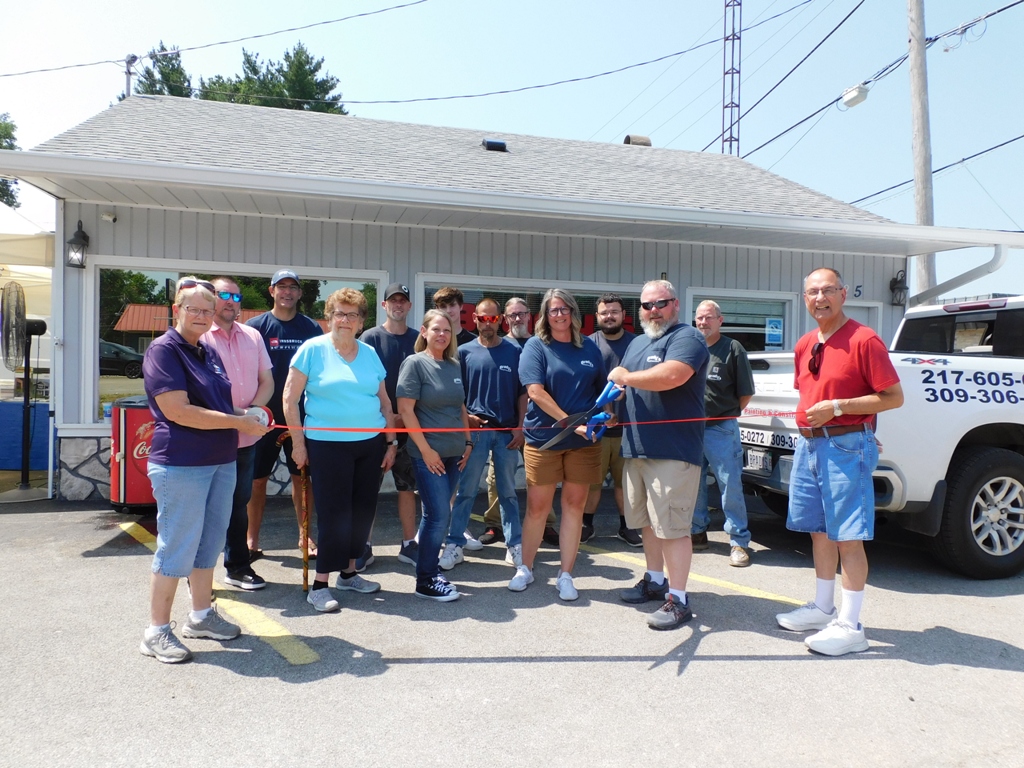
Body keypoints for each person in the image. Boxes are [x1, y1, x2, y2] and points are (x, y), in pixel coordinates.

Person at [139, 277, 270, 663]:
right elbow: (178, 411)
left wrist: (248, 415)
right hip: (181, 463)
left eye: (207, 310)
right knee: (176, 547)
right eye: (193, 309)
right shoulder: (164, 350)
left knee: (209, 543)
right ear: (176, 310)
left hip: (220, 460)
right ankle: (156, 632)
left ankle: (200, 616)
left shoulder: (206, 350)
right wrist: (239, 423)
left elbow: (220, 406)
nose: (201, 315)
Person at [775, 268, 903, 656]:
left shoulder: (865, 339)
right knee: (818, 531)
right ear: (804, 298)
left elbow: (893, 397)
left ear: (843, 294)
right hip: (809, 446)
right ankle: (823, 608)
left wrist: (840, 409)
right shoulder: (805, 345)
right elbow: (810, 392)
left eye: (828, 290)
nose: (820, 298)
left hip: (844, 447)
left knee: (848, 536)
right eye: (812, 292)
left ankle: (851, 626)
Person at [283, 288, 397, 613]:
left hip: (370, 444)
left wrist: (391, 442)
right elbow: (290, 399)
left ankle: (348, 573)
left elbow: (385, 402)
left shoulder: (370, 354)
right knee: (334, 514)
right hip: (327, 445)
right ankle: (320, 584)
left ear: (361, 322)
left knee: (362, 511)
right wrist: (298, 444)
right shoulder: (312, 350)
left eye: (352, 315)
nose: (345, 320)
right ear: (329, 317)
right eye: (339, 313)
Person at [610, 279, 709, 630]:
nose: (654, 310)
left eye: (661, 303)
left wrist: (626, 377)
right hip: (637, 447)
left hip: (673, 450)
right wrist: (612, 408)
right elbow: (626, 386)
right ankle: (655, 580)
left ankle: (679, 600)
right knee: (648, 523)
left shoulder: (687, 337)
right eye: (647, 305)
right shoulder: (638, 342)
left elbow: (672, 376)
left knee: (672, 528)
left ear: (676, 304)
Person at [511, 288, 606, 600]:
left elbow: (601, 392)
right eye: (553, 309)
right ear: (545, 315)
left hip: (584, 442)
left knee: (574, 507)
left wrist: (606, 417)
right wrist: (570, 422)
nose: (560, 314)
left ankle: (566, 574)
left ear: (573, 312)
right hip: (545, 439)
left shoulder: (589, 347)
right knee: (538, 507)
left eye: (565, 308)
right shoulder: (536, 346)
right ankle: (525, 568)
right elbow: (535, 392)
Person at [440, 298, 527, 571]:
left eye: (492, 318)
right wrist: (466, 419)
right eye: (482, 318)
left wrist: (520, 426)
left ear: (500, 320)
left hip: (506, 434)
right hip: (475, 434)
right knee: (465, 491)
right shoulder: (463, 352)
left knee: (508, 492)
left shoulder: (515, 351)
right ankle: (455, 544)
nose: (487, 323)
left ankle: (514, 545)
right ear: (474, 319)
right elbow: (456, 393)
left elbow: (523, 393)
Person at [201, 276, 274, 590]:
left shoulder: (253, 336)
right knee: (205, 507)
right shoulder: (199, 336)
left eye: (236, 296)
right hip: (210, 437)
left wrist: (254, 411)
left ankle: (238, 567)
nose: (231, 302)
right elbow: (201, 394)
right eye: (224, 295)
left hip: (246, 439)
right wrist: (240, 417)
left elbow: (267, 381)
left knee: (238, 505)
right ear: (211, 298)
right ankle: (198, 575)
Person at [396, 309, 474, 601]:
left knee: (436, 515)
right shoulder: (415, 363)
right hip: (429, 456)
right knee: (438, 515)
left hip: (455, 455)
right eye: (436, 329)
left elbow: (460, 408)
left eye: (447, 330)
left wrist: (468, 442)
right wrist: (426, 451)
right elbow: (406, 411)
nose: (442, 334)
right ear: (424, 332)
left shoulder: (453, 365)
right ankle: (426, 580)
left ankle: (430, 573)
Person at [245, 269, 323, 561]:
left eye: (293, 287)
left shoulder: (311, 328)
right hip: (263, 417)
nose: (287, 292)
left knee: (302, 479)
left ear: (300, 293)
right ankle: (251, 539)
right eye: (282, 287)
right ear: (272, 291)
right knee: (257, 481)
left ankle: (305, 535)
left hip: (300, 418)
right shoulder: (255, 327)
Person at [480, 297, 559, 547]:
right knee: (497, 477)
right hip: (507, 425)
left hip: (539, 422)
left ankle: (546, 524)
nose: (517, 319)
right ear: (505, 319)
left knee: (541, 477)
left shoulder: (543, 344)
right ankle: (494, 524)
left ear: (530, 316)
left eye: (521, 314)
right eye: (512, 315)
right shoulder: (500, 346)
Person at [359, 282, 423, 570]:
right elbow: (364, 382)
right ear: (384, 305)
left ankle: (409, 544)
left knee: (407, 488)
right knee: (367, 489)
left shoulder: (418, 339)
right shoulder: (370, 338)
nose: (398, 305)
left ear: (409, 306)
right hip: (376, 427)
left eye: (403, 301)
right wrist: (388, 418)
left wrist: (404, 417)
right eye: (393, 301)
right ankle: (364, 545)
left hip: (409, 426)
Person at [691, 300, 756, 566]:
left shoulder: (732, 348)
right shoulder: (690, 348)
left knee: (730, 485)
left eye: (708, 317)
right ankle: (697, 532)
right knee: (693, 485)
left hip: (721, 429)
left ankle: (739, 541)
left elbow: (745, 393)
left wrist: (725, 415)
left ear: (720, 320)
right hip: (692, 429)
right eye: (699, 318)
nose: (703, 322)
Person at [583, 293, 640, 546]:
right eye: (604, 312)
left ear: (623, 315)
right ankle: (586, 525)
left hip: (629, 431)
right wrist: (605, 412)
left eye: (614, 311)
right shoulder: (588, 344)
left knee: (625, 484)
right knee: (592, 483)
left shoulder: (637, 344)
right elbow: (589, 384)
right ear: (597, 316)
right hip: (597, 430)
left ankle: (627, 528)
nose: (609, 316)